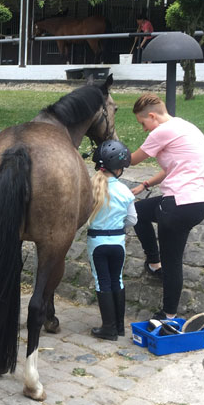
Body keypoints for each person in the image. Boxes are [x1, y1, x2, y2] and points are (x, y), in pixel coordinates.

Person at [129, 94, 204, 321]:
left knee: (172, 262)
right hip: (199, 202)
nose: (144, 129)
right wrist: (145, 184)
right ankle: (154, 263)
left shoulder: (162, 131)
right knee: (137, 212)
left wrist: (107, 156)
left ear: (153, 116)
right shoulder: (185, 127)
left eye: (143, 123)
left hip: (178, 203)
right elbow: (173, 167)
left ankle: (168, 315)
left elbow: (132, 159)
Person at [87, 140, 137, 341]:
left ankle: (108, 327)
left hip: (97, 243)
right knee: (117, 279)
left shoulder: (90, 187)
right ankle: (119, 327)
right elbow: (133, 219)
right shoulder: (125, 191)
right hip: (118, 243)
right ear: (119, 169)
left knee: (102, 282)